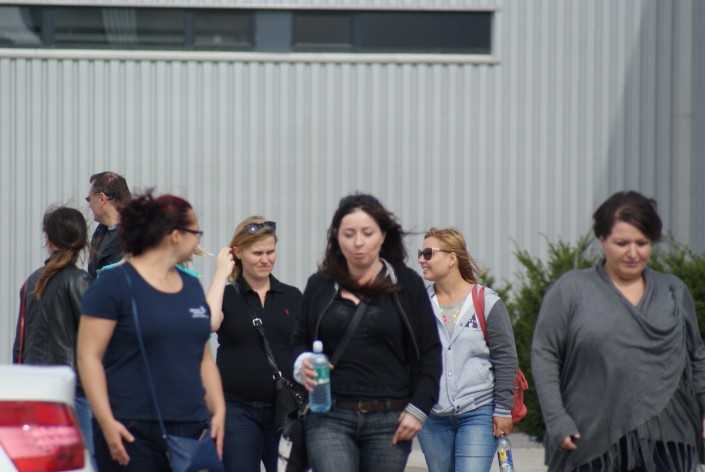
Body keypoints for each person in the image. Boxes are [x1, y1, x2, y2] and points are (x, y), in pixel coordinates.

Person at [531, 190, 705, 472]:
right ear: (602, 240)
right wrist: (556, 419)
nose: (633, 253)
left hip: (668, 441)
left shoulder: (673, 291)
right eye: (622, 243)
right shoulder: (572, 290)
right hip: (591, 440)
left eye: (642, 243)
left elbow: (697, 356)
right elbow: (545, 353)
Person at [291, 193, 442, 472]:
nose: (358, 242)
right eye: (349, 234)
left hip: (391, 418)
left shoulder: (406, 284)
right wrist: (303, 364)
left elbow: (430, 352)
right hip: (329, 414)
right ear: (337, 237)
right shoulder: (320, 284)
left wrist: (419, 408)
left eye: (367, 233)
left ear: (383, 235)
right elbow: (299, 341)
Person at [77, 190, 225, 471]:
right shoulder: (113, 284)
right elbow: (88, 357)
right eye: (196, 233)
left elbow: (204, 358)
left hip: (190, 428)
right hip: (130, 429)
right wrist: (106, 422)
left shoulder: (191, 287)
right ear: (175, 236)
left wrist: (218, 410)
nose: (198, 240)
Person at [416, 227, 518, 472]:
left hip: (478, 412)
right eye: (420, 253)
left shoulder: (487, 301)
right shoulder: (418, 305)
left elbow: (505, 358)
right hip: (431, 416)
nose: (421, 259)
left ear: (452, 258)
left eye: (428, 253)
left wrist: (503, 409)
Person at [206, 216, 302, 472]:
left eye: (270, 252)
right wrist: (220, 275)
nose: (265, 259)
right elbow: (209, 323)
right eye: (257, 253)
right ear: (237, 253)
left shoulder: (292, 296)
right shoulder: (226, 295)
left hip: (284, 408)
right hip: (236, 408)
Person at [12, 206, 94, 453]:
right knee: (84, 459)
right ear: (82, 240)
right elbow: (96, 341)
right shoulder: (80, 281)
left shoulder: (31, 281)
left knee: (47, 459)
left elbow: (19, 345)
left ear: (48, 239)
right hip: (74, 392)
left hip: (37, 389)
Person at [86, 171, 131, 279]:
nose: (89, 205)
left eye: (89, 199)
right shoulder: (99, 232)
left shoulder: (136, 236)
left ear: (102, 198)